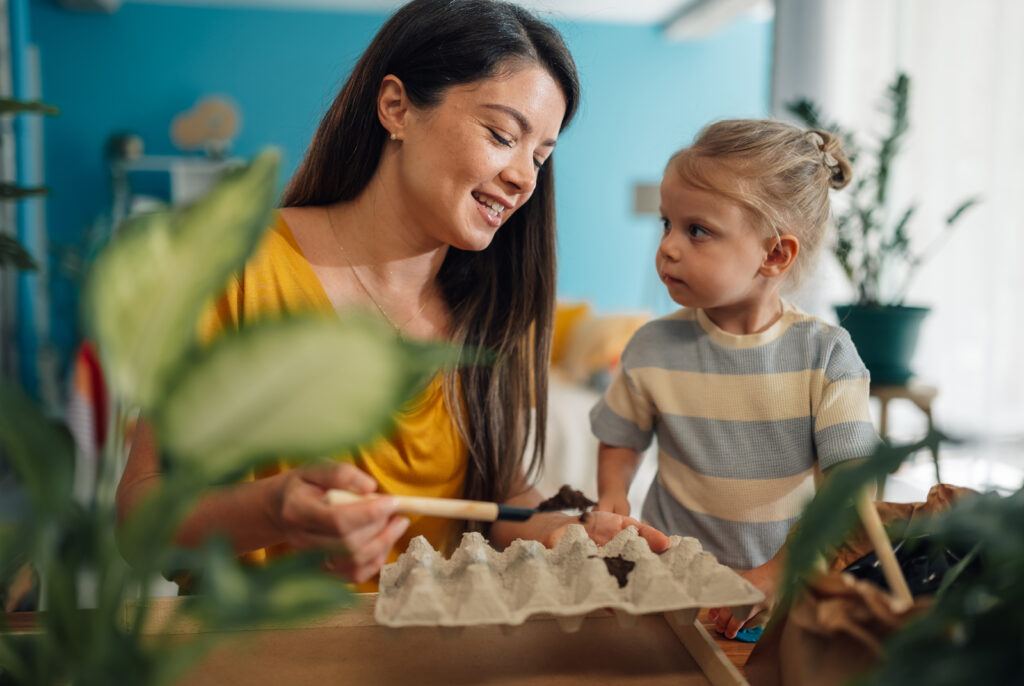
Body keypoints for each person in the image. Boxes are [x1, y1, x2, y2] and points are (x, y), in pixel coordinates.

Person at [116, 0, 669, 593]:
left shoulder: (489, 311)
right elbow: (138, 524)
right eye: (502, 135)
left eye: (541, 155)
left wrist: (560, 533)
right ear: (396, 108)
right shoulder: (235, 268)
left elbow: (502, 497)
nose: (524, 178)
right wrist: (275, 509)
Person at [590, 119, 880, 637]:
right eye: (666, 224)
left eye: (697, 230)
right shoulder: (651, 346)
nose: (669, 247)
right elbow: (619, 436)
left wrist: (778, 572)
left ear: (774, 255)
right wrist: (613, 491)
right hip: (668, 589)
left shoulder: (825, 356)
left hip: (777, 599)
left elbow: (852, 486)